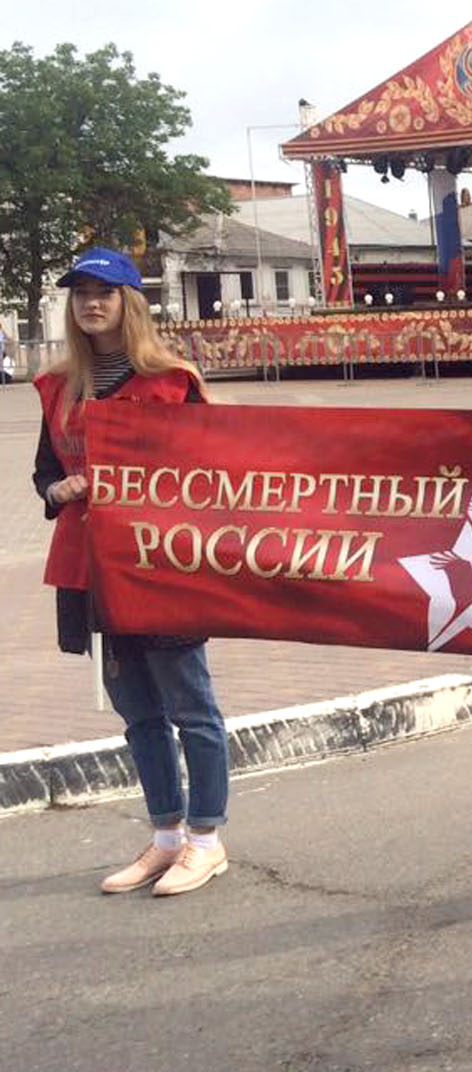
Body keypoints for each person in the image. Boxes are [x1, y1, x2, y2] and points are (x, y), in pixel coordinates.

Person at [32, 248, 230, 897]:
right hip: (91, 568)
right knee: (139, 714)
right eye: (82, 292)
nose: (92, 302)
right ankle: (166, 837)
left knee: (191, 707)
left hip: (160, 567)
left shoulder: (172, 381)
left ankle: (206, 839)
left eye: (105, 292)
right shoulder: (59, 386)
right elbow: (45, 471)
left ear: (128, 302)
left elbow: (214, 472)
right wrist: (59, 491)